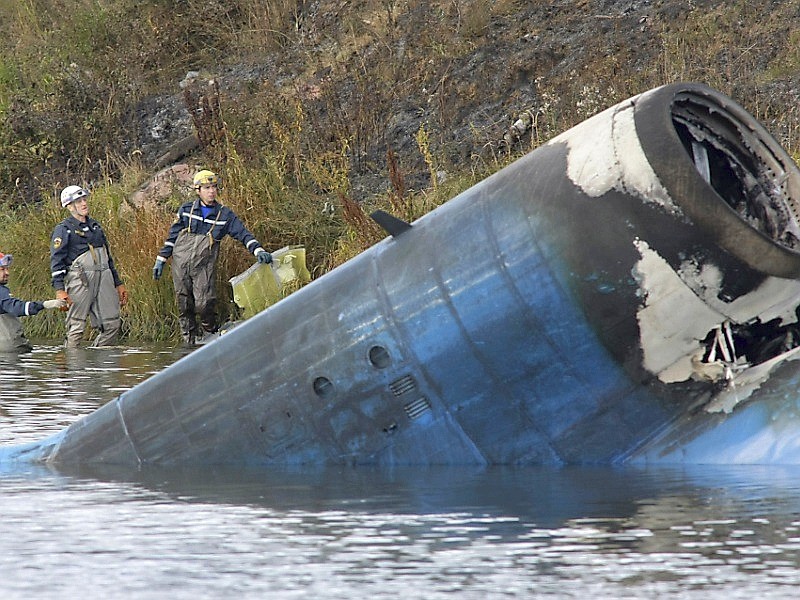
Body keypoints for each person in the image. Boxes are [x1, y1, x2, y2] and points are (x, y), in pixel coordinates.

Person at [152, 169, 272, 345]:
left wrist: (258, 250)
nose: (211, 191)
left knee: (204, 303)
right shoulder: (186, 210)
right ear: (198, 190)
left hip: (204, 266)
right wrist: (161, 260)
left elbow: (243, 234)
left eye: (214, 187)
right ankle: (190, 342)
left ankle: (211, 334)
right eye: (207, 187)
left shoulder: (225, 215)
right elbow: (172, 237)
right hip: (180, 264)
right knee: (184, 305)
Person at [50, 185, 128, 348]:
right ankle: (74, 368)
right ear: (69, 206)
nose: (84, 203)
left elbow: (108, 258)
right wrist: (60, 290)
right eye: (78, 201)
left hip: (104, 279)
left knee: (112, 325)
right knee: (76, 328)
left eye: (84, 199)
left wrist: (118, 283)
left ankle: (99, 364)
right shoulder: (63, 229)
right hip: (80, 281)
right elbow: (57, 262)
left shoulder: (96, 227)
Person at [0, 252, 67, 352]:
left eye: (7, 268)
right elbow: (16, 308)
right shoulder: (1, 291)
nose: (7, 273)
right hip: (11, 351)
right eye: (2, 269)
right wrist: (45, 304)